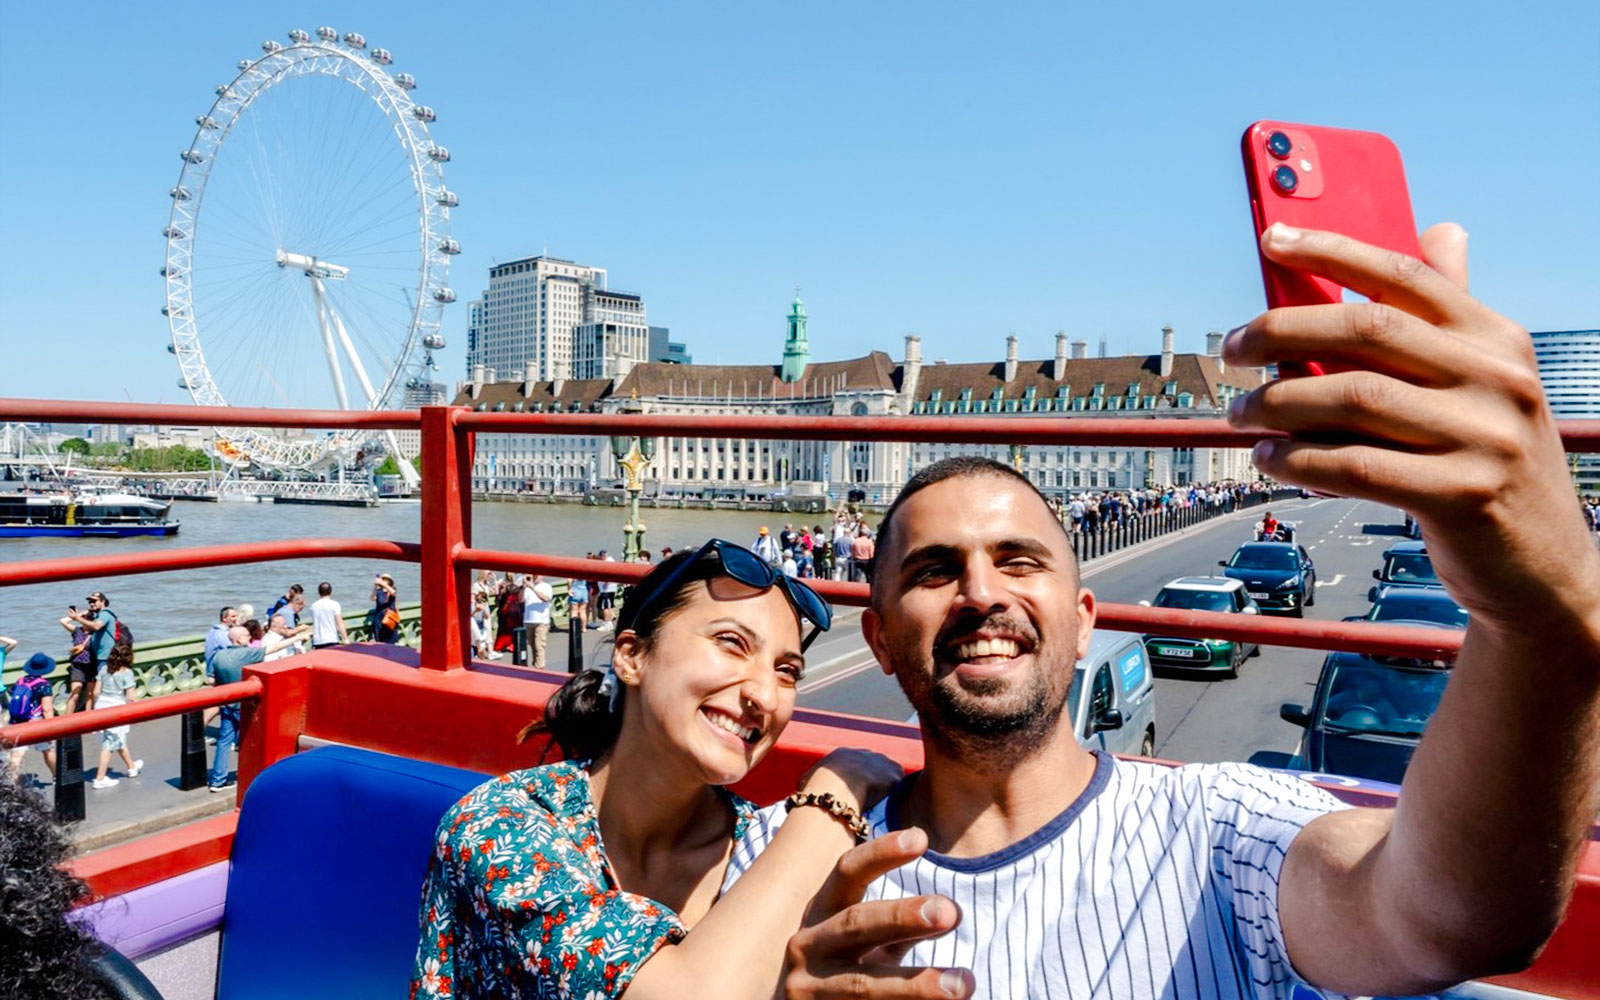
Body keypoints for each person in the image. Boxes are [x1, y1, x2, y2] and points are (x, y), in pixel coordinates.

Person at [768, 225, 1600, 998]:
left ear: (1088, 616)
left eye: (1019, 560)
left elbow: (1451, 919)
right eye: (935, 571)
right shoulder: (780, 863)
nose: (983, 594)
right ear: (876, 637)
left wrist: (1540, 619)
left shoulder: (1230, 833)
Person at [411, 541, 899, 1000]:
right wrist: (831, 797)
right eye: (731, 643)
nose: (766, 696)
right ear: (631, 656)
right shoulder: (500, 826)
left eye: (787, 671)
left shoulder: (764, 841)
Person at [89, 643, 142, 790]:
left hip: (101, 705)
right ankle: (99, 778)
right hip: (116, 707)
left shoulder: (103, 669)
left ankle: (131, 767)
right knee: (109, 743)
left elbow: (95, 692)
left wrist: (95, 708)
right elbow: (131, 697)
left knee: (115, 738)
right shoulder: (127, 672)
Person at [5, 653, 57, 784]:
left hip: (18, 722)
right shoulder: (44, 685)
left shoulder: (20, 680)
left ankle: (11, 783)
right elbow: (47, 709)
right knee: (48, 750)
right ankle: (58, 776)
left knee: (17, 755)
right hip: (36, 723)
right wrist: (51, 728)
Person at [62, 592, 115, 714]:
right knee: (91, 691)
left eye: (94, 601)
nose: (91, 603)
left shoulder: (105, 614)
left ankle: (96, 718)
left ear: (103, 601)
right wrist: (79, 615)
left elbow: (96, 626)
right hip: (93, 660)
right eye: (90, 601)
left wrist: (77, 618)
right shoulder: (80, 629)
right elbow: (64, 622)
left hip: (102, 658)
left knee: (98, 692)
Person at [521, 573, 554, 670]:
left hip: (541, 621)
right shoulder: (527, 588)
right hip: (529, 620)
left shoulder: (546, 586)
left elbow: (546, 599)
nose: (535, 577)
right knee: (532, 645)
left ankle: (540, 666)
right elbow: (521, 599)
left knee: (539, 645)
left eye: (537, 575)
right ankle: (536, 664)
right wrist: (523, 587)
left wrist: (533, 588)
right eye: (534, 575)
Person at [309, 582, 349, 650]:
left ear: (319, 592)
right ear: (331, 592)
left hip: (317, 641)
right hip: (332, 639)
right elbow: (339, 623)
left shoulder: (313, 606)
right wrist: (345, 638)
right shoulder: (335, 604)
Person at [371, 573, 400, 643]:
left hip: (390, 617)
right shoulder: (378, 591)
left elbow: (393, 593)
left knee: (391, 640)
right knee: (380, 641)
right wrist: (375, 586)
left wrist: (383, 584)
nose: (384, 581)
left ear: (389, 581)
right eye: (383, 579)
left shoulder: (392, 589)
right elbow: (372, 598)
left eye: (386, 580)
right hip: (379, 618)